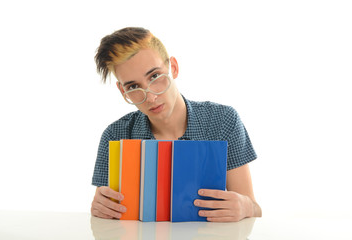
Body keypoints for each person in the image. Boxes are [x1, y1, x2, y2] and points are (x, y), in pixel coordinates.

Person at [91, 27, 262, 222]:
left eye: (155, 76)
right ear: (123, 91)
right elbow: (107, 218)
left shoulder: (223, 121)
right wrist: (100, 209)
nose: (151, 97)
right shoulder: (115, 135)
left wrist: (246, 206)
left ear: (173, 67)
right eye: (133, 87)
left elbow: (255, 210)